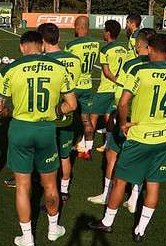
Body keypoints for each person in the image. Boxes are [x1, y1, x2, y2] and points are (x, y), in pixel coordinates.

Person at [88, 34, 166, 242]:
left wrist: (123, 124)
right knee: (153, 185)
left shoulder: (138, 69)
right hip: (164, 136)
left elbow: (123, 103)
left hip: (140, 135)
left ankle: (107, 222)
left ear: (149, 49)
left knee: (120, 181)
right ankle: (140, 229)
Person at [0, 31, 77, 246]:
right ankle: (52, 229)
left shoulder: (10, 69)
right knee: (50, 184)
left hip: (20, 128)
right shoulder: (59, 67)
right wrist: (55, 111)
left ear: (22, 47)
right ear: (41, 45)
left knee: (22, 186)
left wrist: (14, 111)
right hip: (46, 129)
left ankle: (27, 238)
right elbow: (71, 104)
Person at [108, 27, 156, 213]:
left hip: (130, 117)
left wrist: (121, 121)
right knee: (143, 161)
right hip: (151, 120)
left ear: (138, 44)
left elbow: (121, 97)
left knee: (113, 155)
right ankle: (135, 197)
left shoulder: (132, 65)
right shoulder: (164, 66)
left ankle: (108, 196)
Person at [38, 23, 81, 203]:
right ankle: (64, 190)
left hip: (47, 115)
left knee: (44, 155)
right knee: (64, 154)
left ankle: (46, 188)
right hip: (68, 113)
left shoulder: (43, 61)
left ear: (42, 41)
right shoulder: (75, 59)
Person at [89, 20, 128, 156]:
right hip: (118, 90)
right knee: (109, 115)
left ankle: (87, 145)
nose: (103, 32)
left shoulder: (105, 49)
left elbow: (106, 72)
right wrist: (120, 83)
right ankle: (108, 143)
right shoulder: (124, 50)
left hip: (106, 88)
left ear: (108, 33)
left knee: (93, 115)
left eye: (104, 30)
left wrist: (116, 81)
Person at [64, 16, 100, 159]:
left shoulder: (72, 45)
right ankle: (87, 150)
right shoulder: (96, 44)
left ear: (78, 26)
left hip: (74, 86)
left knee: (65, 116)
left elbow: (67, 65)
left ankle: (64, 146)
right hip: (88, 85)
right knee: (86, 120)